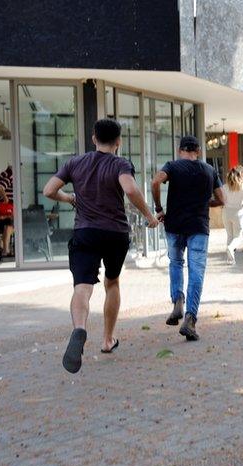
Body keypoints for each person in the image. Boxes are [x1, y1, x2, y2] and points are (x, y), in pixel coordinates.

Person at [43, 118, 159, 374]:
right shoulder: (120, 163)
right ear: (118, 142)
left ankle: (80, 329)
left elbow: (49, 190)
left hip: (85, 232)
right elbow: (129, 189)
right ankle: (107, 340)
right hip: (115, 234)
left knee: (82, 287)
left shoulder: (75, 162)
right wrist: (150, 216)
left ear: (94, 138)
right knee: (112, 282)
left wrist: (69, 198)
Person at [151, 136, 225, 341]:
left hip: (174, 225)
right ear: (198, 151)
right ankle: (190, 319)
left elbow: (156, 181)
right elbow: (221, 199)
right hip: (199, 227)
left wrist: (158, 208)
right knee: (196, 271)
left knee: (175, 263)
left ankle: (177, 302)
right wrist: (204, 202)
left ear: (180, 150)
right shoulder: (209, 170)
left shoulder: (173, 166)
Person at [222, 165, 243, 265]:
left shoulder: (224, 187)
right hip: (238, 213)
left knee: (229, 235)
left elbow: (223, 200)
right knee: (237, 236)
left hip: (226, 212)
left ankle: (230, 259)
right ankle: (230, 248)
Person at [0, 182, 15, 257]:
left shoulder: (1, 206)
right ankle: (5, 249)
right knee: (7, 227)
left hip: (8, 221)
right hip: (6, 220)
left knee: (7, 227)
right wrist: (5, 198)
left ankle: (5, 249)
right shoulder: (8, 174)